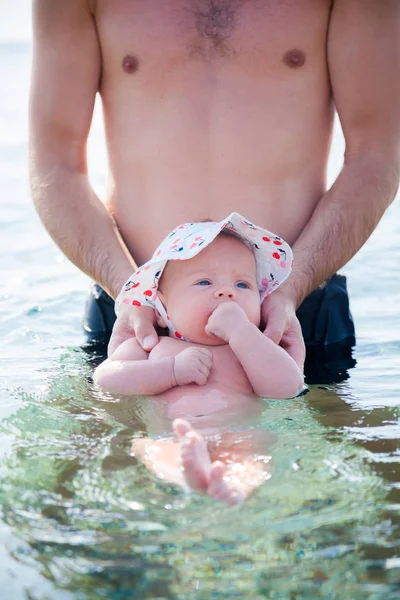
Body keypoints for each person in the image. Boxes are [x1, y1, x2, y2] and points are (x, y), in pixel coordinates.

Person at [29, 1, 400, 384]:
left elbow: (375, 157)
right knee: (108, 445)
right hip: (133, 313)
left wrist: (290, 289)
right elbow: (56, 166)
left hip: (293, 310)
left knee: (328, 443)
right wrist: (133, 293)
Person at [93, 214, 304, 504]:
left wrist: (242, 331)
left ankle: (234, 488)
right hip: (172, 433)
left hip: (239, 434)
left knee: (253, 456)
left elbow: (287, 387)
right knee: (153, 448)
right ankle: (188, 476)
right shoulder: (154, 346)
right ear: (162, 306)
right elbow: (107, 379)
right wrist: (172, 371)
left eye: (243, 285)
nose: (226, 292)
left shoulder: (252, 349)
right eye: (204, 282)